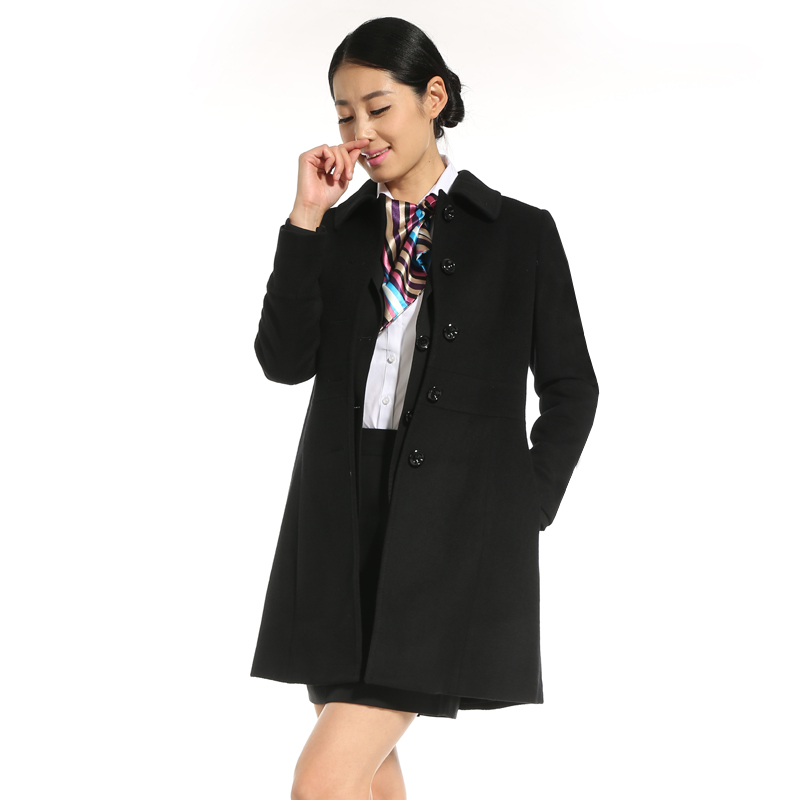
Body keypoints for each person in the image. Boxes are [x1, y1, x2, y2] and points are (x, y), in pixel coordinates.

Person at [250, 16, 599, 798]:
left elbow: (572, 387)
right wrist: (305, 219)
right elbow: (283, 363)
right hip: (337, 525)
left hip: (450, 528)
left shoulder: (519, 234)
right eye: (345, 114)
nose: (361, 132)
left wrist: (523, 504)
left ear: (433, 98)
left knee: (322, 781)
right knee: (369, 780)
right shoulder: (337, 233)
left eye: (379, 108)